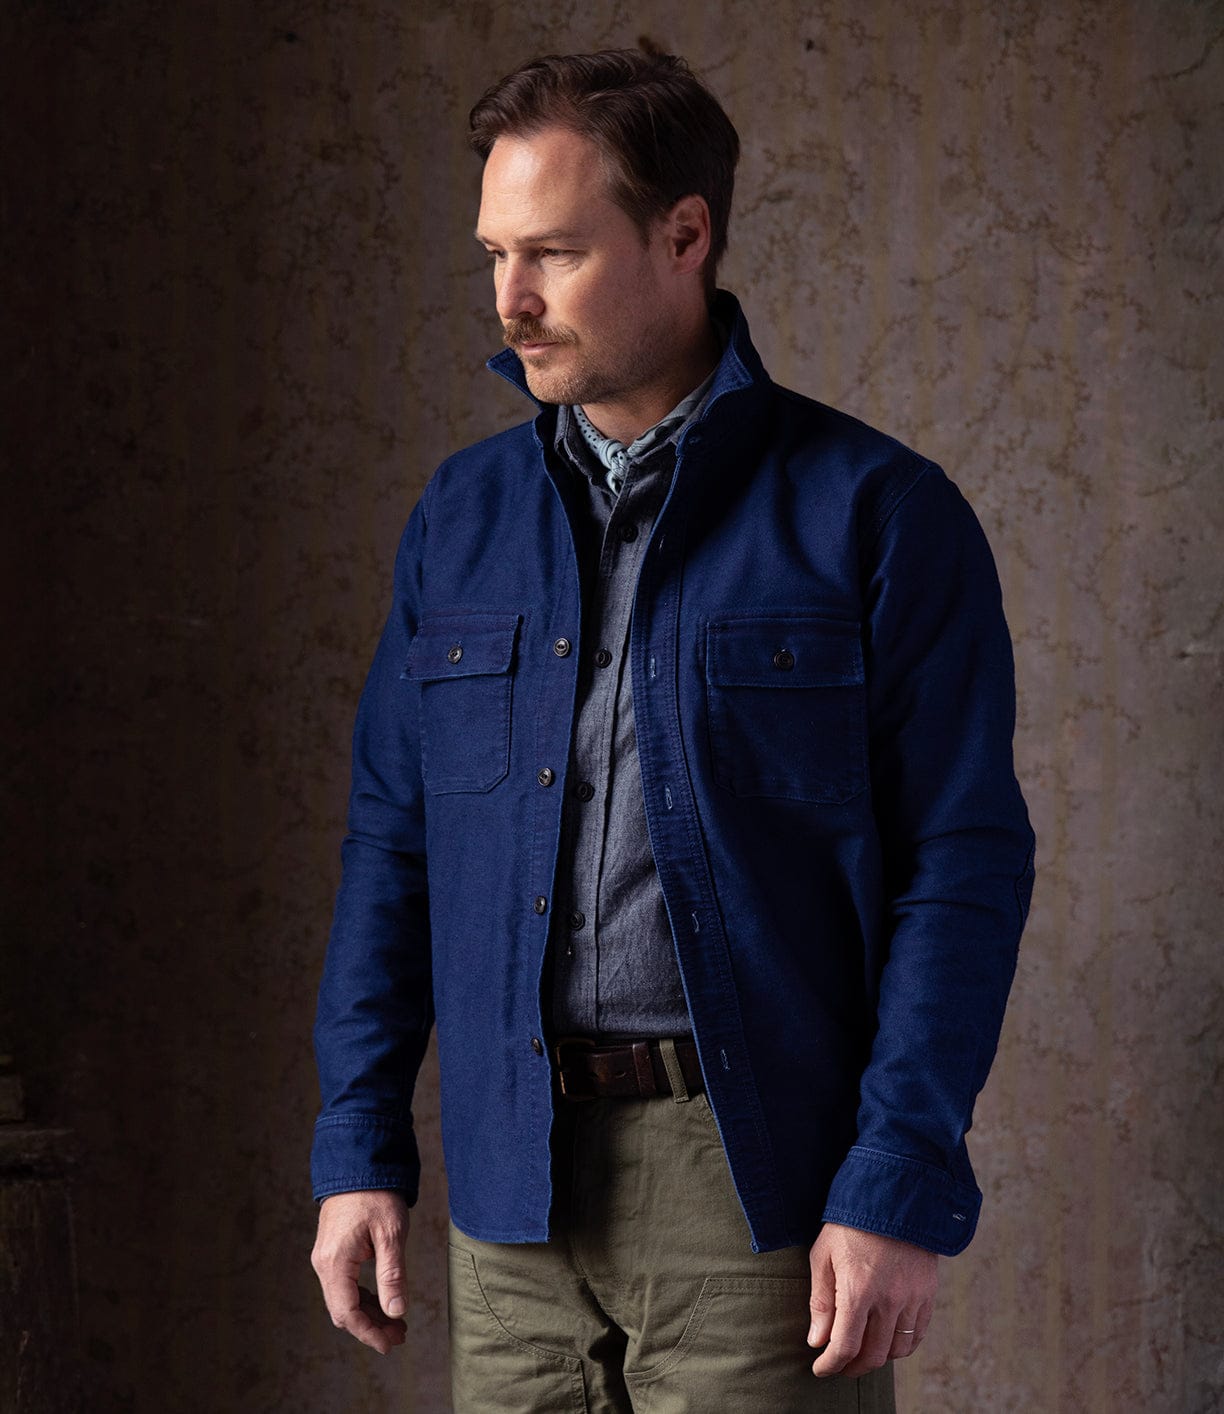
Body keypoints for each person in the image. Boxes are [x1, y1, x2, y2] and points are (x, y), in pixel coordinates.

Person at [309, 48, 1035, 1413]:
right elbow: (391, 846)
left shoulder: (875, 513)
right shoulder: (459, 520)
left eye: (554, 254)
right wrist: (358, 1148)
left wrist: (896, 1183)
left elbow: (964, 868)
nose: (510, 302)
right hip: (511, 1188)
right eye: (494, 256)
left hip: (756, 1187)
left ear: (684, 235)